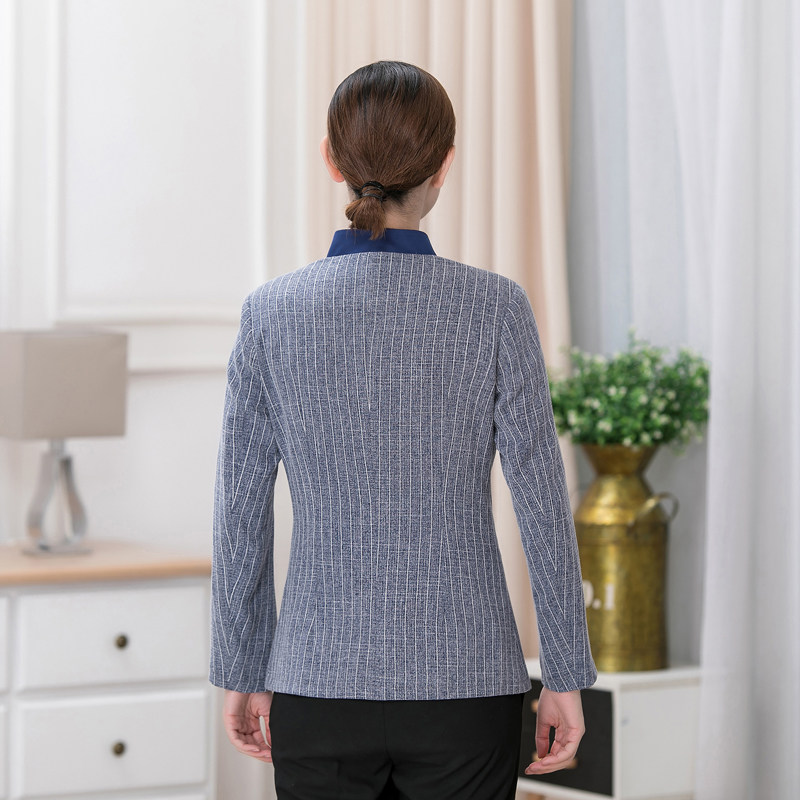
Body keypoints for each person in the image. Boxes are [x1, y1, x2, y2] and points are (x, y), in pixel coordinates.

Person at [209, 60, 597, 800]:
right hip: (467, 683)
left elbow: (239, 513)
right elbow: (544, 508)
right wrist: (566, 675)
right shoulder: (496, 309)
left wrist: (241, 666)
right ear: (444, 165)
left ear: (331, 159)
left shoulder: (271, 314)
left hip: (316, 679)